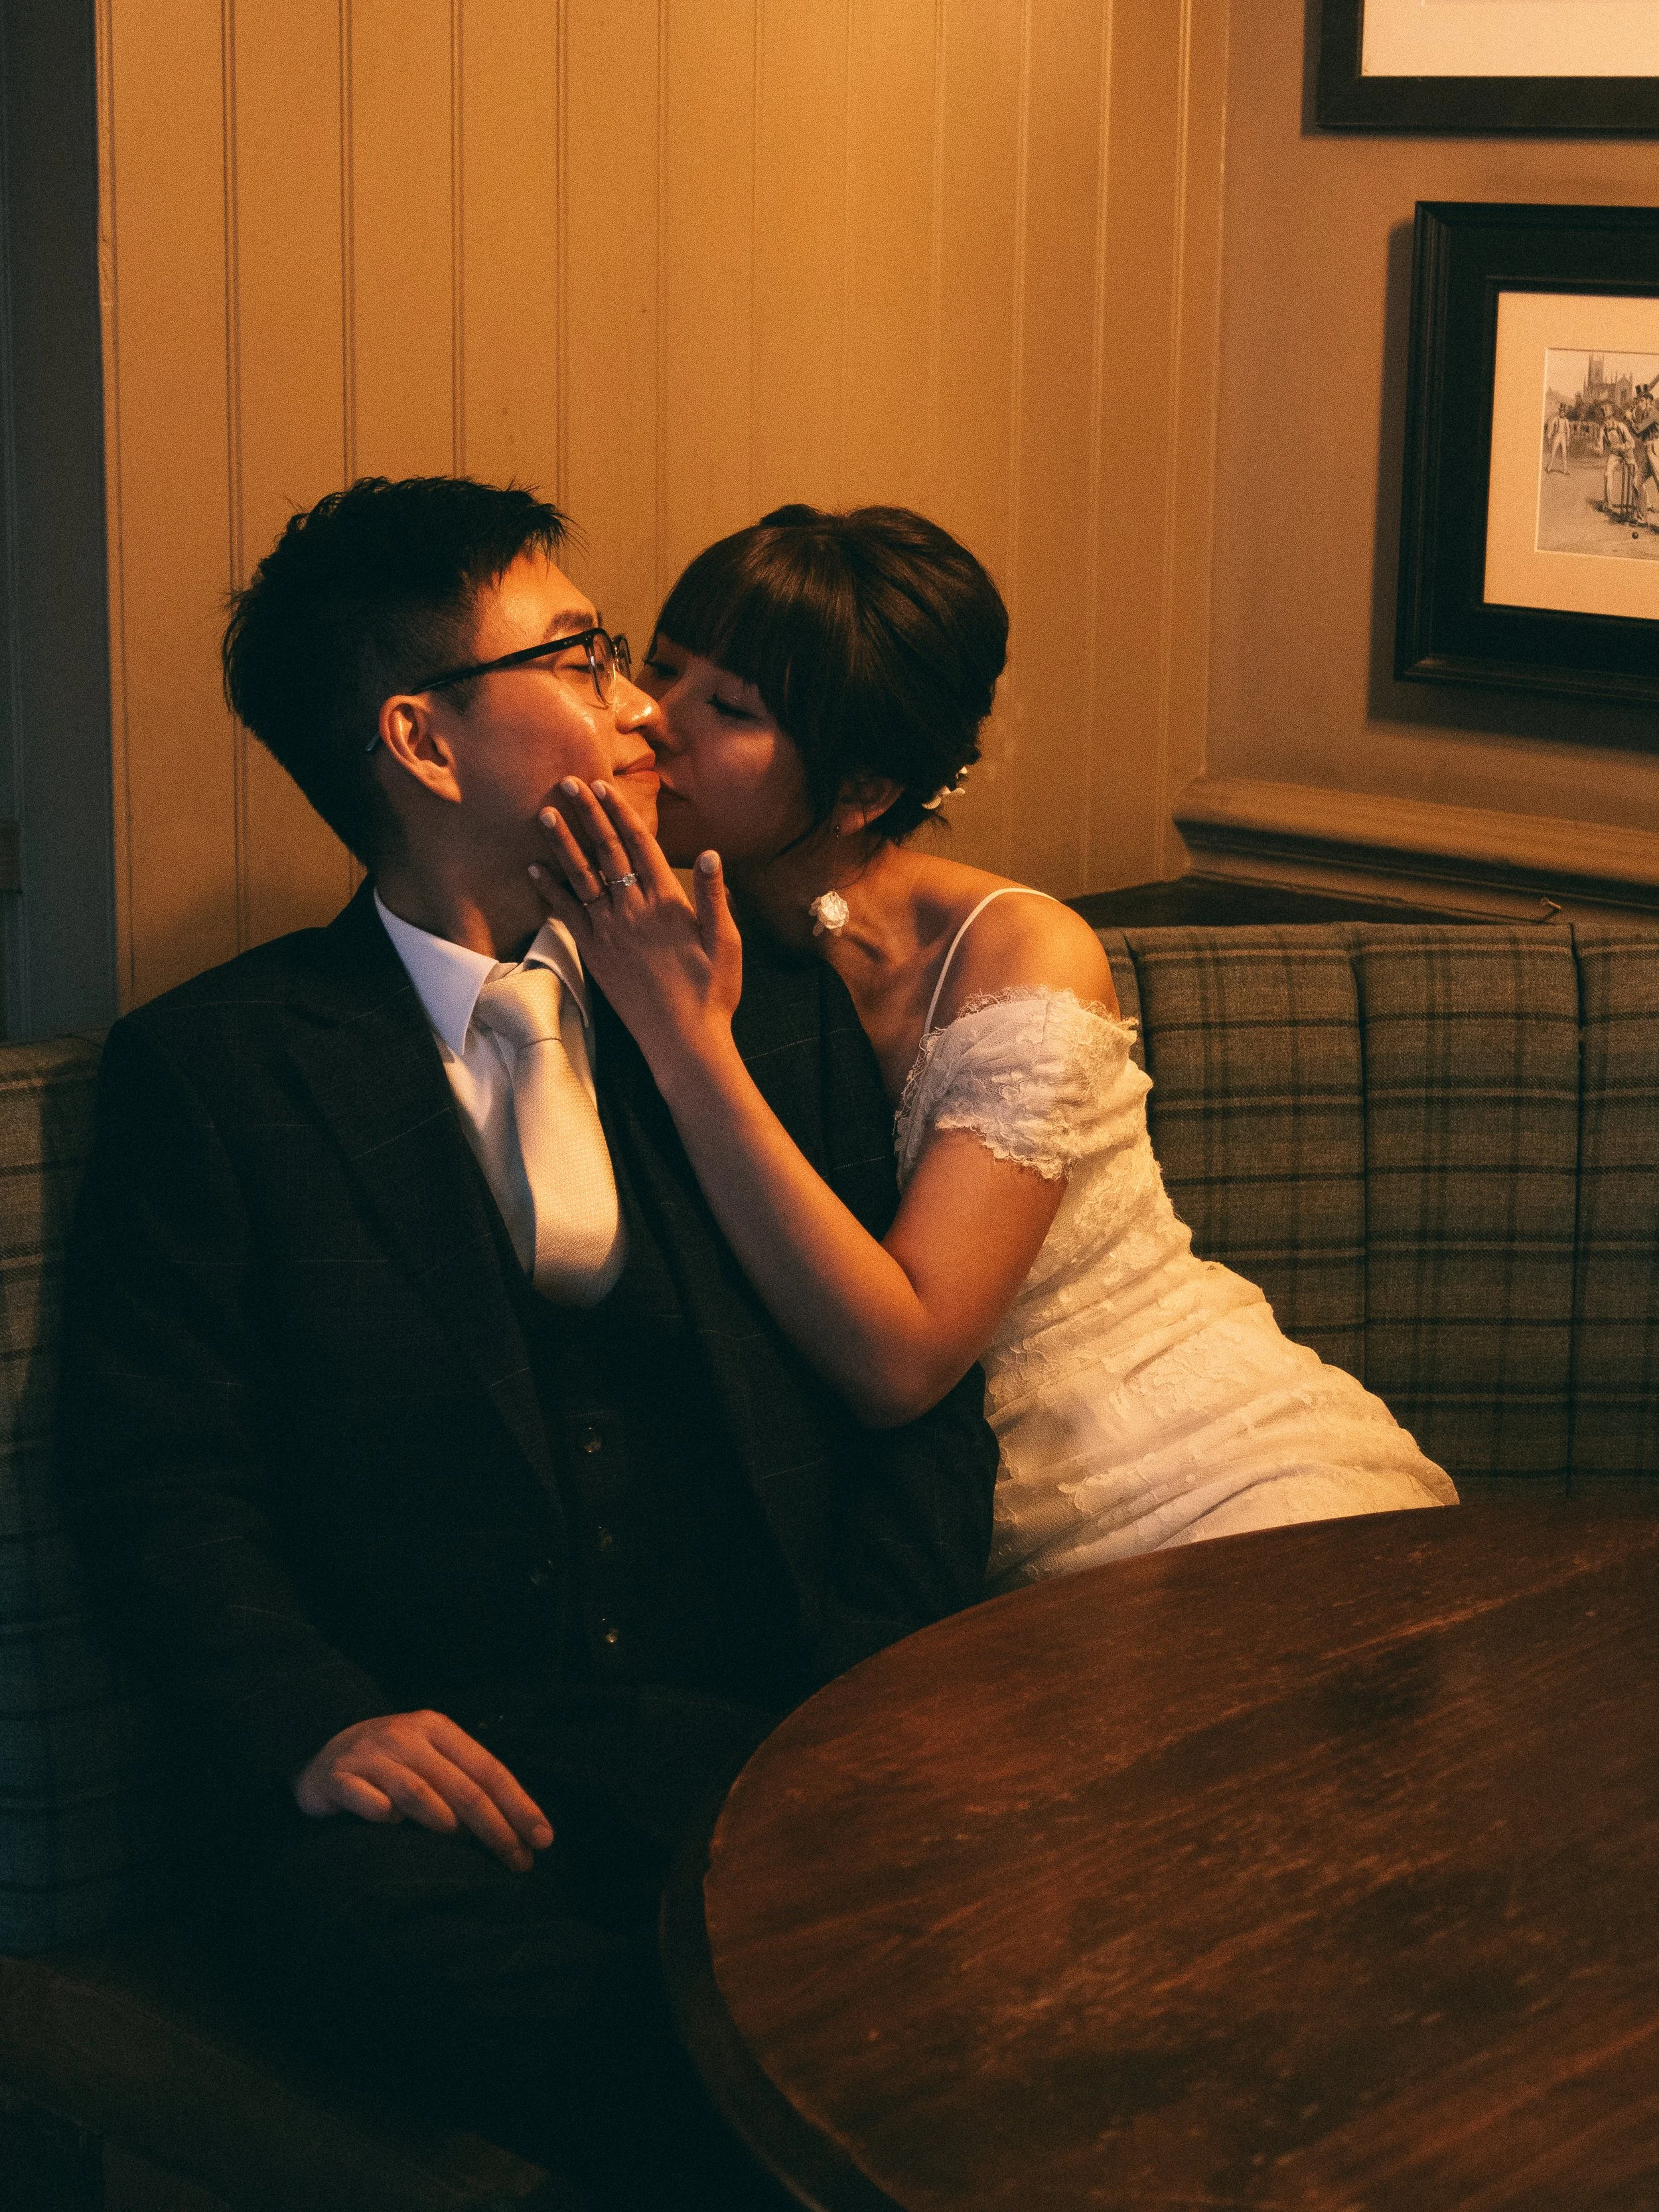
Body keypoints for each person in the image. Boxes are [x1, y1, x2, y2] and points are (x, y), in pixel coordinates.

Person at [58, 478, 999, 2211]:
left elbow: (915, 1415)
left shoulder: (741, 987)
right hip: (442, 1786)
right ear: (420, 738)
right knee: (618, 2035)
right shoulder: (219, 1069)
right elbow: (155, 1480)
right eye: (578, 654)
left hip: (761, 1730)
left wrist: (879, 1710)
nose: (645, 705)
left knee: (977, 1946)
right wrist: (318, 1718)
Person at [533, 504, 1457, 1594]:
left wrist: (691, 1047)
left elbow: (904, 1360)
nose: (652, 718)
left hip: (1209, 1471)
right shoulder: (642, 922)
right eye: (663, 667)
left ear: (862, 790)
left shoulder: (1016, 953)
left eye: (729, 706)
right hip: (941, 1552)